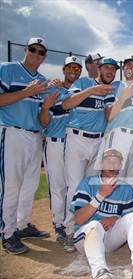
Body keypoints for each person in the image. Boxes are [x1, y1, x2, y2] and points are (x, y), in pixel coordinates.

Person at [61, 57, 120, 252]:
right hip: (77, 138)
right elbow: (66, 104)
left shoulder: (110, 91)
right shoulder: (84, 82)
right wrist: (92, 91)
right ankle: (70, 231)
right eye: (107, 68)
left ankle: (88, 227)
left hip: (98, 141)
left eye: (113, 69)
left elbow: (109, 115)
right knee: (74, 186)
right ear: (99, 68)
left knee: (92, 185)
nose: (110, 71)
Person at [70, 149, 133, 279]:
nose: (112, 165)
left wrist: (116, 218)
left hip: (110, 240)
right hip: (85, 238)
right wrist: (101, 195)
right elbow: (79, 219)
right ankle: (100, 272)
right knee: (94, 225)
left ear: (120, 166)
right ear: (101, 164)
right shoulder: (87, 183)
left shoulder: (126, 188)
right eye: (108, 161)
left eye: (116, 162)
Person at [0, 37, 50, 255]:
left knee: (29, 184)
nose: (36, 54)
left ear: (44, 56)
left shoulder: (42, 80)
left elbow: (42, 116)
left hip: (34, 134)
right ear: (25, 49)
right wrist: (26, 92)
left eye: (40, 52)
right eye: (33, 49)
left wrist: (45, 107)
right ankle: (7, 233)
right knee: (11, 184)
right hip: (12, 131)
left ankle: (22, 225)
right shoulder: (7, 69)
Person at [39, 56, 83, 244]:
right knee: (58, 187)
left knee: (75, 186)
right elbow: (43, 121)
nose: (74, 70)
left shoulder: (81, 91)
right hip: (56, 143)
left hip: (75, 143)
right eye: (70, 67)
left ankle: (72, 223)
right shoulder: (52, 89)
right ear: (64, 69)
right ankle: (58, 224)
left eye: (77, 68)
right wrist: (46, 107)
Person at [105, 55, 133, 182]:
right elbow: (108, 115)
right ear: (123, 68)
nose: (132, 68)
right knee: (115, 179)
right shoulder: (114, 86)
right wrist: (123, 97)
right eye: (129, 65)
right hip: (119, 137)